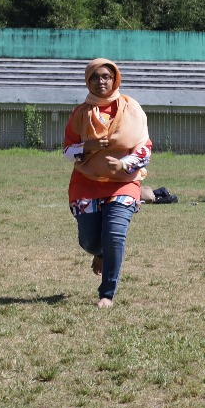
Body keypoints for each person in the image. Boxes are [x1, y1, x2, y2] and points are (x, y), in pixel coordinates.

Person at [62, 58, 152, 309]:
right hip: (86, 184)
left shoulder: (132, 108)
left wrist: (124, 164)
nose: (100, 81)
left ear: (115, 79)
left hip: (124, 183)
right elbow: (67, 150)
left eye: (106, 76)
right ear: (87, 81)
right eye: (95, 77)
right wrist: (87, 146)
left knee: (114, 235)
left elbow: (145, 148)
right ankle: (99, 254)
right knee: (89, 242)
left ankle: (107, 293)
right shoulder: (80, 113)